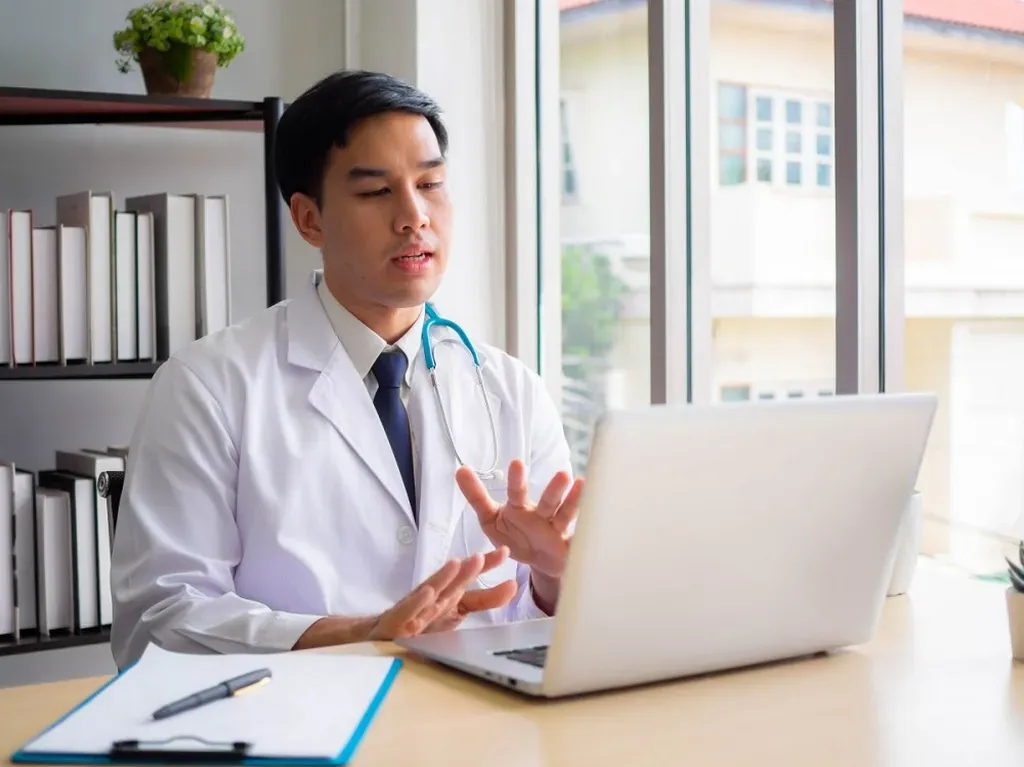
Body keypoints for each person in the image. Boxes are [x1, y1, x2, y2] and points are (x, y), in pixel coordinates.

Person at [108, 70, 583, 670]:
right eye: (377, 191)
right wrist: (360, 634)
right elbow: (159, 622)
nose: (414, 216)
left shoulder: (511, 389)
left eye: (431, 183)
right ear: (310, 219)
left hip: (476, 714)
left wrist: (555, 576)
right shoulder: (207, 387)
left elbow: (546, 627)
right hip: (296, 715)